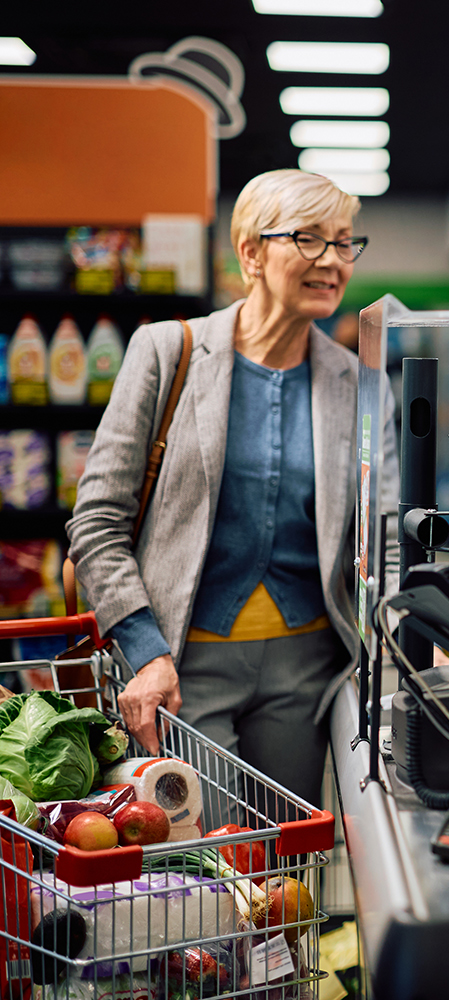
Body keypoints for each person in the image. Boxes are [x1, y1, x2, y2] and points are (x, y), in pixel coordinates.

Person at [68, 169, 399, 806]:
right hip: (182, 666)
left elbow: (381, 538)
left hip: (309, 674)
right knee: (208, 871)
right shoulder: (168, 353)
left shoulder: (362, 387)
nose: (333, 261)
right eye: (309, 240)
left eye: (344, 242)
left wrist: (417, 634)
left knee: (284, 872)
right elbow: (98, 522)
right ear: (250, 252)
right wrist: (145, 652)